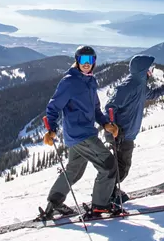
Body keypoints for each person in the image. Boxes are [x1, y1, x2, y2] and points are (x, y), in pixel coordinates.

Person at [42, 45, 120, 219]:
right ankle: (100, 206)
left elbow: (95, 108)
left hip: (79, 135)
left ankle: (54, 203)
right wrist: (51, 129)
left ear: (94, 62)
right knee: (108, 165)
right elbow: (53, 106)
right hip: (81, 134)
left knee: (74, 171)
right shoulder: (69, 81)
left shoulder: (90, 81)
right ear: (77, 61)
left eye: (90, 60)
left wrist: (106, 123)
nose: (86, 64)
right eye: (83, 60)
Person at [104, 54, 164, 203]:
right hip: (120, 135)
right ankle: (108, 193)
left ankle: (110, 191)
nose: (151, 73)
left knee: (119, 166)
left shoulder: (140, 86)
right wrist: (113, 127)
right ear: (142, 70)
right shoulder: (127, 87)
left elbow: (152, 94)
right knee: (122, 167)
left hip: (127, 134)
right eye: (149, 69)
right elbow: (109, 108)